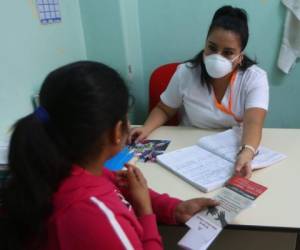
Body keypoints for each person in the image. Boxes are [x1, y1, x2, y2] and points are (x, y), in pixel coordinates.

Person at [0, 61, 218, 250]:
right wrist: (146, 213)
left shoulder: (59, 166)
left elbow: (119, 188)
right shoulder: (92, 215)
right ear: (117, 131)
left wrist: (173, 208)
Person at [129, 6, 269, 178]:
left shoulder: (254, 78)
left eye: (228, 53)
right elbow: (164, 109)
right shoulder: (186, 72)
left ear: (240, 56)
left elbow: (254, 122)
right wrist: (146, 128)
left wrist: (247, 152)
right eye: (212, 48)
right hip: (191, 149)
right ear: (205, 44)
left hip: (233, 150)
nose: (217, 57)